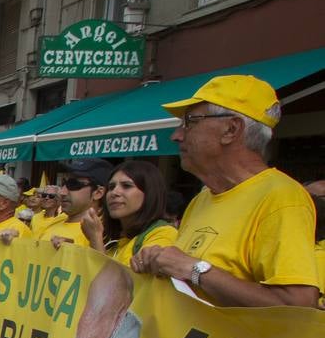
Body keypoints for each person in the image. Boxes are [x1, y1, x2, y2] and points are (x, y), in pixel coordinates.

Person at [131, 74, 319, 307]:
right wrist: (158, 261)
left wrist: (194, 269)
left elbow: (298, 306)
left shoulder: (282, 197)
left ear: (231, 129)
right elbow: (184, 270)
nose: (176, 135)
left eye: (190, 121)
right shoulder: (202, 198)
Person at [85, 161, 177, 266]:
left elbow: (114, 281)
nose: (114, 193)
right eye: (111, 187)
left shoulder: (164, 234)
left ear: (149, 193)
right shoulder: (112, 239)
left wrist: (96, 238)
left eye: (127, 186)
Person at [46, 158, 113, 249]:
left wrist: (75, 252)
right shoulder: (57, 220)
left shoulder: (105, 235)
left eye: (73, 184)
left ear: (98, 193)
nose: (62, 192)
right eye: (64, 183)